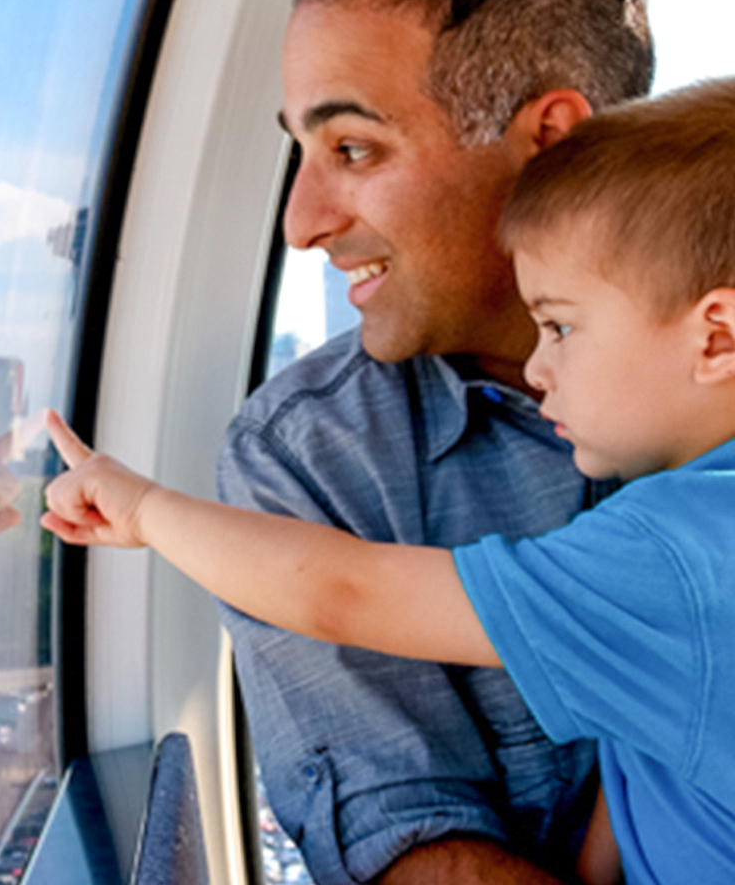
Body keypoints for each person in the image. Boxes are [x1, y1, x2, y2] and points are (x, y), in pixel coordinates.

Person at [40, 77, 735, 885]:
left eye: (561, 326)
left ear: (716, 337)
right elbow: (646, 767)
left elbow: (345, 592)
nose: (540, 368)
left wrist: (147, 510)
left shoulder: (672, 558)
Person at [211, 0, 654, 885]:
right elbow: (410, 841)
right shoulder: (306, 455)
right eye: (298, 151)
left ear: (552, 146)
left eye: (352, 150)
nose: (301, 222)